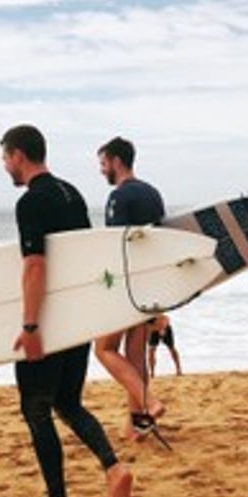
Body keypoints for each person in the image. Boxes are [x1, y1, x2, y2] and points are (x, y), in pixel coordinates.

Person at [0, 124, 133, 497]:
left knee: (36, 409)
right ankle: (113, 468)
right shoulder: (71, 194)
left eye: (5, 158)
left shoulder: (30, 202)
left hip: (50, 323)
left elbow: (35, 266)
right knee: (68, 403)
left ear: (19, 155)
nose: (5, 166)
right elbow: (85, 258)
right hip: (77, 319)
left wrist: (30, 327)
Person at [92, 136, 166, 440]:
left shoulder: (119, 197)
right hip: (152, 284)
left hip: (128, 286)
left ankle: (150, 402)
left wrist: (105, 285)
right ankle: (138, 425)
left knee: (104, 349)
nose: (101, 170)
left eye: (103, 163)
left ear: (116, 161)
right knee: (135, 357)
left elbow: (116, 246)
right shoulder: (153, 194)